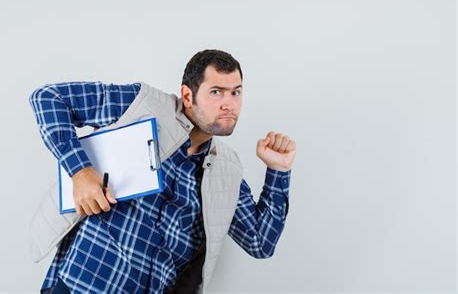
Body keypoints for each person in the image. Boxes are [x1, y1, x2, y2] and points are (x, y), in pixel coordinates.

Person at [28, 49, 296, 293]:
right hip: (82, 285)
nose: (229, 104)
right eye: (216, 92)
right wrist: (80, 171)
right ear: (188, 96)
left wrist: (278, 171)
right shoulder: (141, 105)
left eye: (236, 92)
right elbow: (49, 98)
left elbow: (260, 242)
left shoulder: (227, 170)